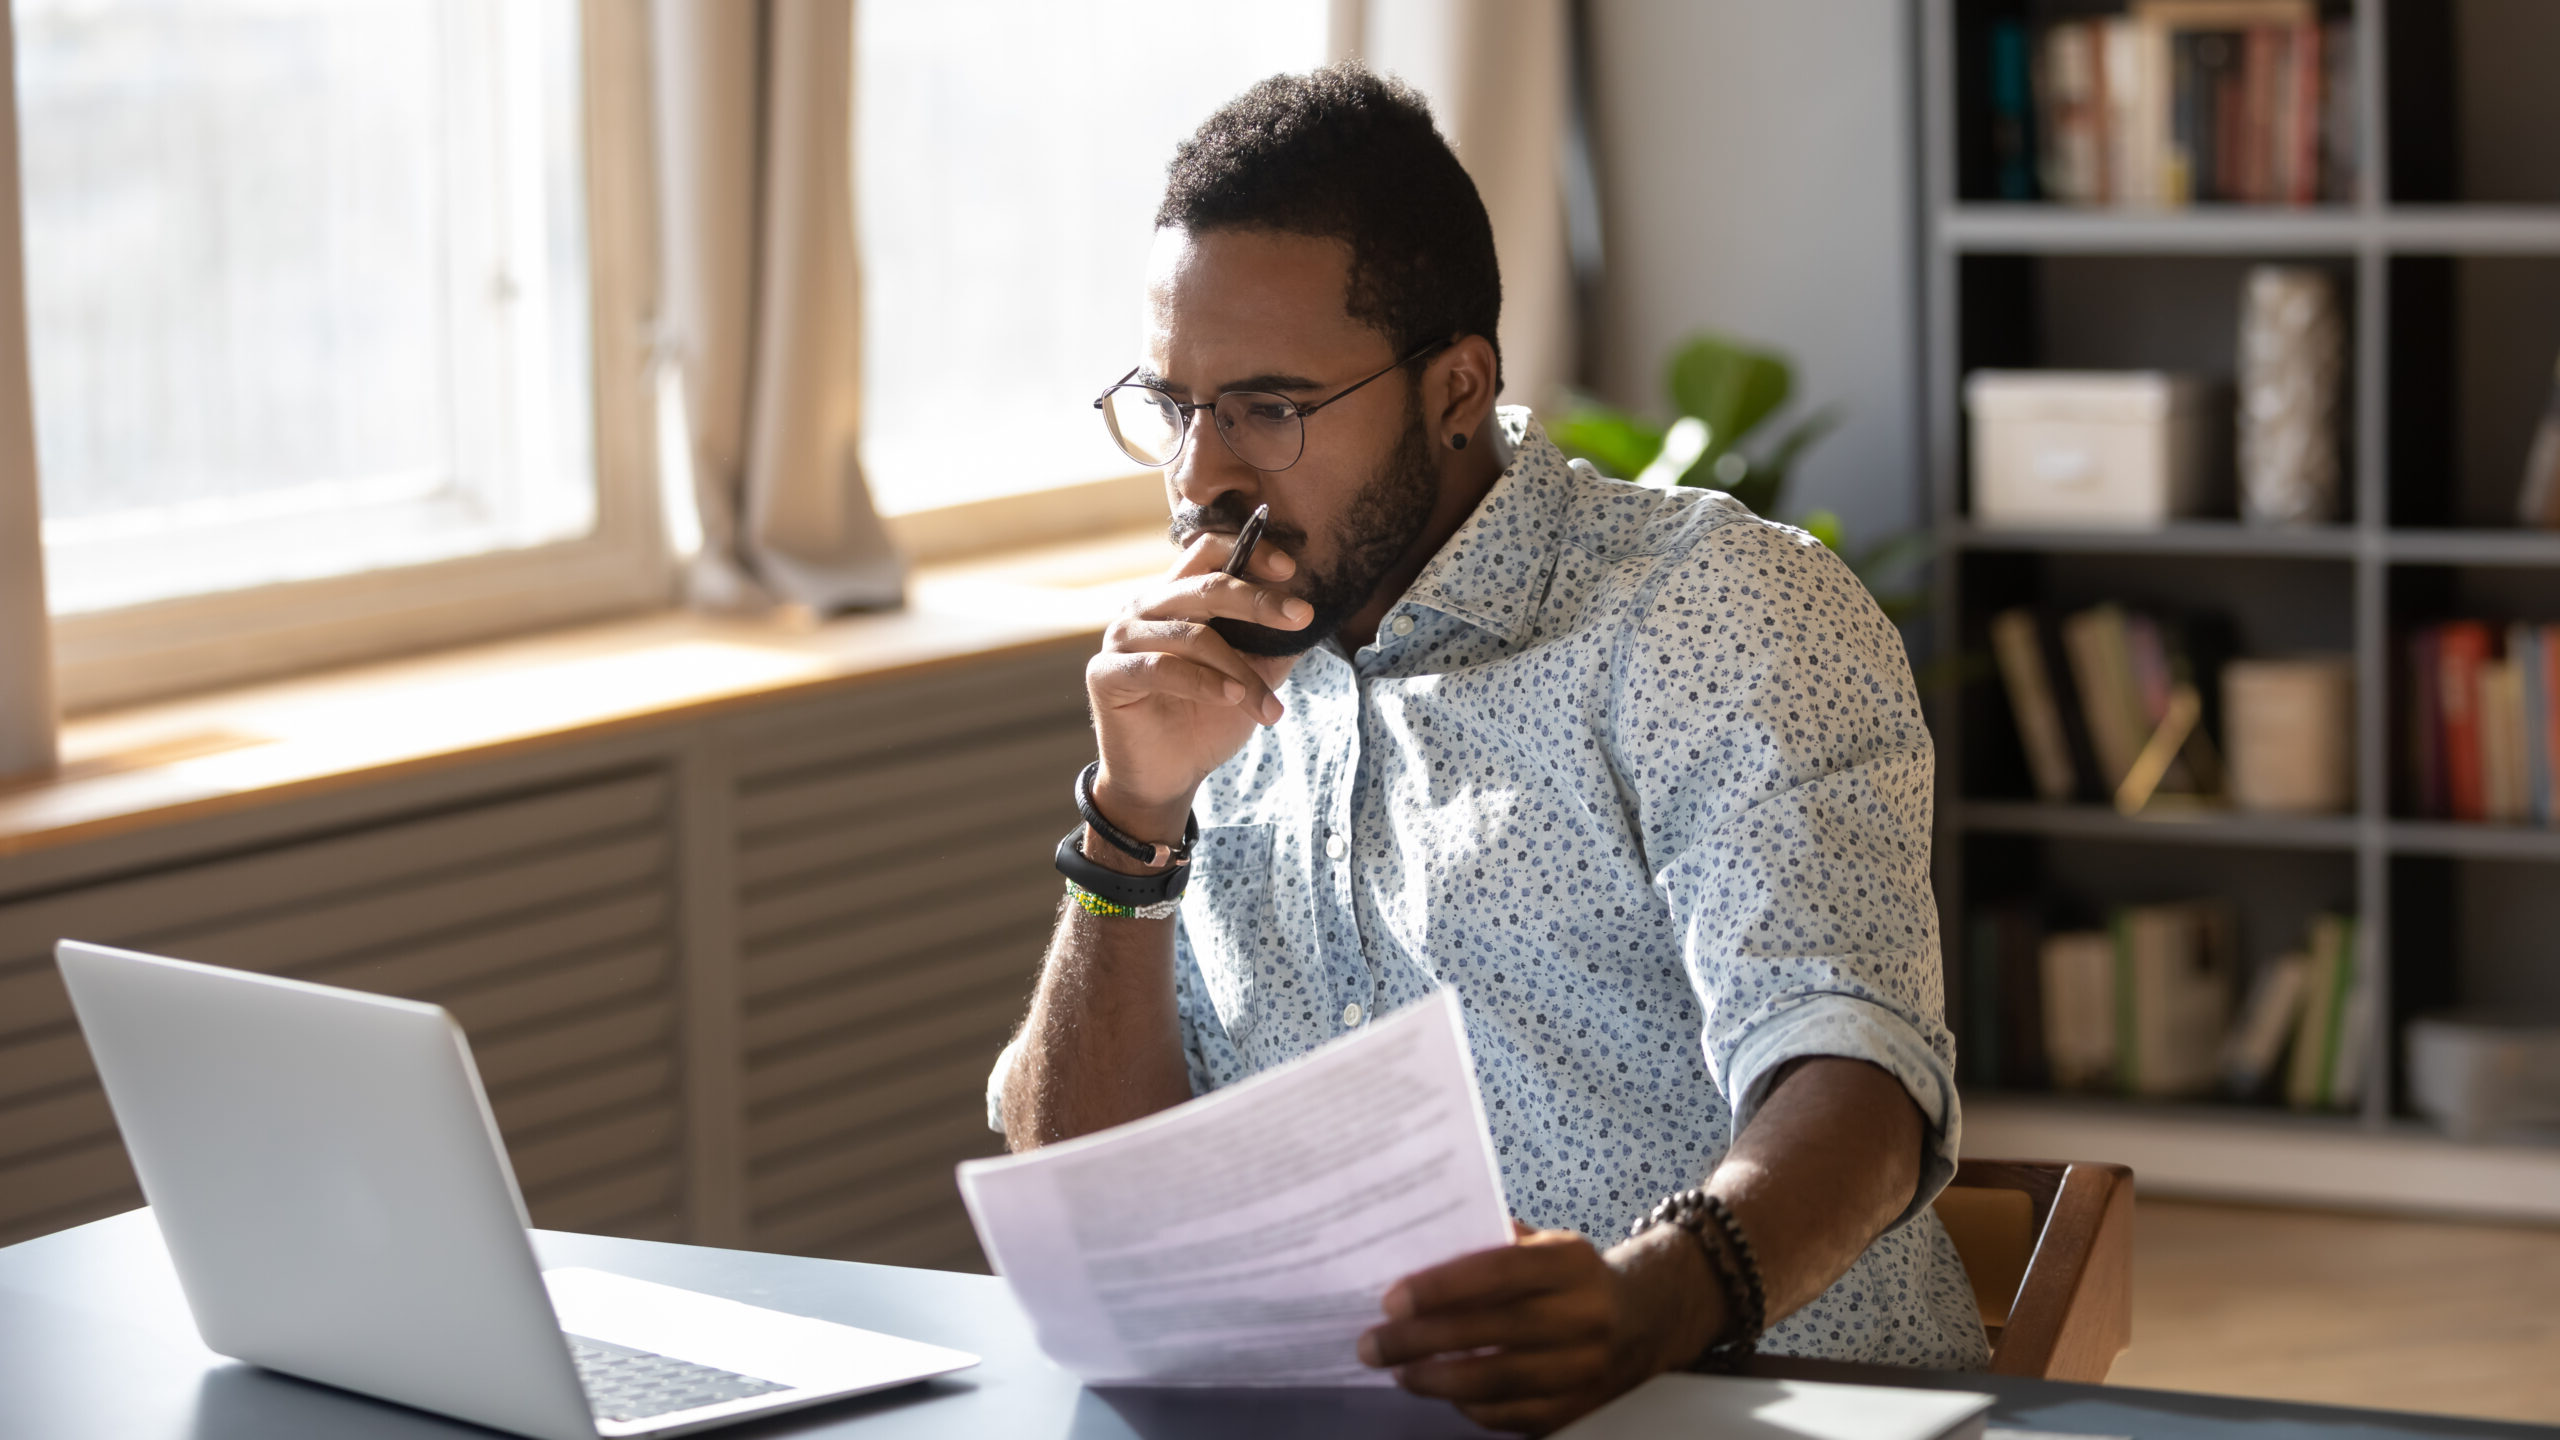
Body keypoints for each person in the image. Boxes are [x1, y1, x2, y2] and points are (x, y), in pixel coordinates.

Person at [987, 62, 1987, 1434]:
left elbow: (1856, 1075)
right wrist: (1130, 822)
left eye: (1269, 410)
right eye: (1176, 407)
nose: (1201, 478)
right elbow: (1093, 1205)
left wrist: (1657, 1299)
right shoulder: (1208, 683)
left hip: (1758, 1410)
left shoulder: (1712, 614)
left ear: (1456, 386)